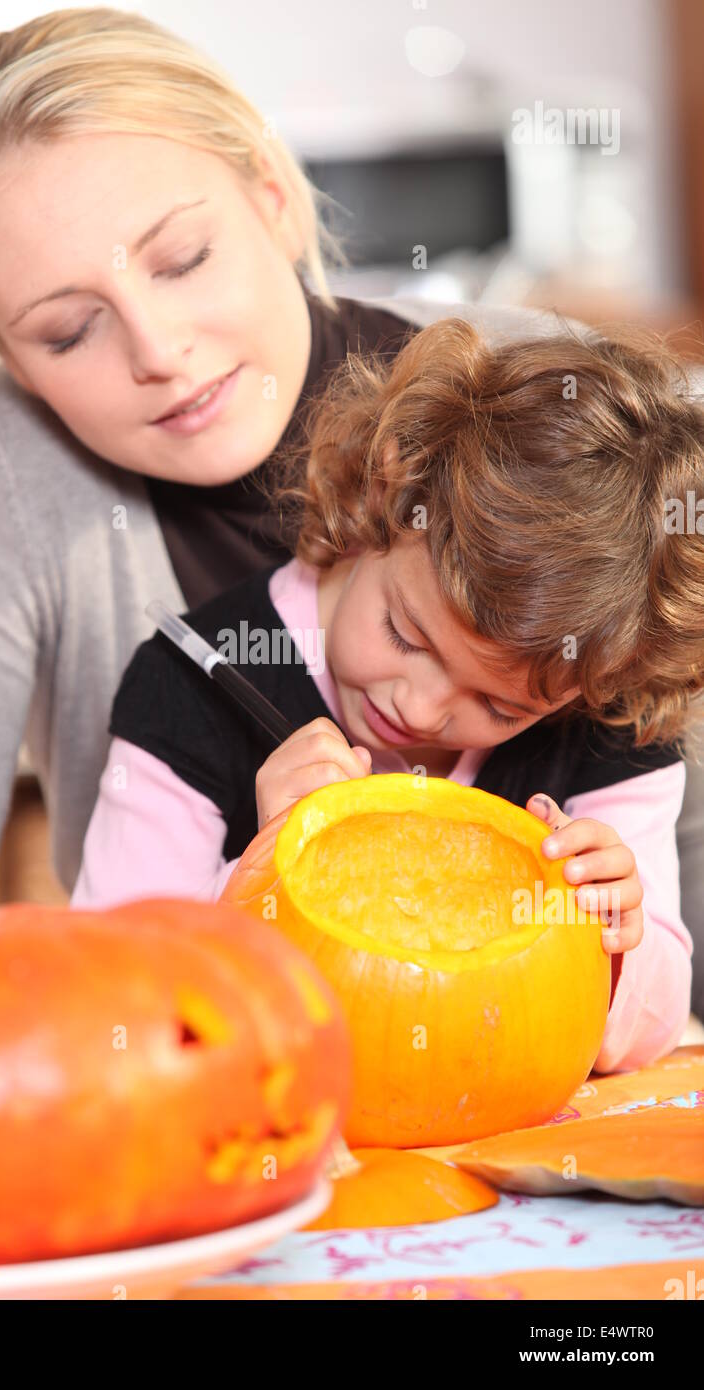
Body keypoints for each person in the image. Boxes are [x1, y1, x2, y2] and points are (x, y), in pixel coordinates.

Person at [0, 8, 703, 1031]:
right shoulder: (1, 473)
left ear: (268, 191)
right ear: (7, 359)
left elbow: (667, 877)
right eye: (66, 330)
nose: (157, 350)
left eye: (180, 258)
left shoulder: (539, 403)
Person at [71, 317, 704, 1074]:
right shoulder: (191, 686)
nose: (421, 711)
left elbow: (651, 1032)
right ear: (387, 494)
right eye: (407, 636)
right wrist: (261, 875)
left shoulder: (608, 712)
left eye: (501, 708)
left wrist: (617, 937)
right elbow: (111, 1002)